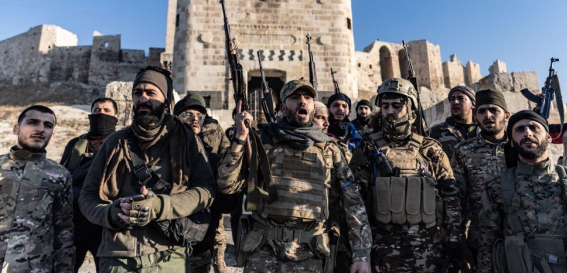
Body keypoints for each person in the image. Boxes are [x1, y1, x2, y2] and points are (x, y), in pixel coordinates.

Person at [218, 79, 372, 273]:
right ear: (283, 107)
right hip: (264, 252)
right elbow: (226, 184)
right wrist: (240, 139)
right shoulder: (263, 141)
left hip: (311, 255)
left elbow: (354, 204)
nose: (302, 101)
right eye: (295, 97)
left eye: (308, 97)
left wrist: (361, 255)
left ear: (313, 106)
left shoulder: (329, 149)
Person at [79, 66, 216, 272]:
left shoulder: (186, 140)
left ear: (166, 100)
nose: (143, 99)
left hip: (169, 255)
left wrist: (160, 207)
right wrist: (111, 214)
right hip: (118, 256)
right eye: (137, 93)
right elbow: (87, 197)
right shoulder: (115, 142)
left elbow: (206, 191)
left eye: (151, 93)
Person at [350, 78, 463, 273]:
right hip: (382, 249)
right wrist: (362, 251)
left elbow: (450, 195)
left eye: (397, 105)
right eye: (385, 106)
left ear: (410, 109)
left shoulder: (430, 148)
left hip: (428, 248)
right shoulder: (367, 149)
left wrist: (454, 239)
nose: (390, 112)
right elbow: (355, 203)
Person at [478, 110, 567, 273]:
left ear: (549, 137)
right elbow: (488, 244)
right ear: (512, 142)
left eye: (534, 128)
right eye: (520, 130)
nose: (527, 133)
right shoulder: (497, 186)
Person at [0, 105, 74, 272]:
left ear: (53, 134)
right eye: (33, 122)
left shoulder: (60, 175)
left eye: (48, 125)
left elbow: (64, 231)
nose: (40, 129)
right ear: (16, 129)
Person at [451, 88, 510, 267]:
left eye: (494, 110)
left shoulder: (520, 147)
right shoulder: (463, 151)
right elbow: (456, 199)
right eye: (482, 111)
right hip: (482, 243)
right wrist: (459, 241)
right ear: (475, 117)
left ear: (506, 115)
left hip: (522, 238)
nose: (488, 115)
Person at [60, 97, 119, 272]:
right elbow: (63, 175)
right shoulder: (76, 144)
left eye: (106, 110)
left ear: (116, 116)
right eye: (97, 110)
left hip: (104, 222)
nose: (101, 113)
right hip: (75, 222)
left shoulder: (122, 144)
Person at [174, 93, 231, 273]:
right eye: (188, 115)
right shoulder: (166, 145)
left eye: (199, 116)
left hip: (205, 215)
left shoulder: (214, 136)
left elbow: (227, 157)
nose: (195, 120)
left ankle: (218, 260)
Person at [428, 86, 477, 161]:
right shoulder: (434, 132)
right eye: (452, 99)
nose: (455, 102)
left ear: (473, 104)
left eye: (461, 98)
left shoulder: (482, 131)